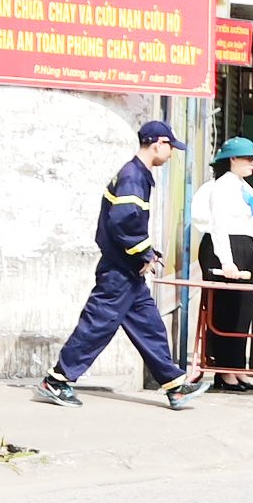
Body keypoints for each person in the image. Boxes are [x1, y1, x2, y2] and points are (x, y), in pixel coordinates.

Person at [40, 121, 206, 410]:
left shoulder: (135, 174)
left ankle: (174, 385)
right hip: (119, 272)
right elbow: (123, 221)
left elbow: (125, 223)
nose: (171, 154)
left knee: (150, 327)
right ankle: (57, 380)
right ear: (158, 143)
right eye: (170, 147)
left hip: (127, 271)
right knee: (97, 326)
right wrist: (144, 255)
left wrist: (146, 253)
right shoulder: (133, 176)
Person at [191, 137, 253, 392]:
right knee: (225, 310)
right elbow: (219, 226)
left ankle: (237, 366)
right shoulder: (221, 186)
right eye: (248, 158)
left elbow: (250, 228)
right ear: (232, 159)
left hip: (245, 247)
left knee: (243, 312)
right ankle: (223, 370)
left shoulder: (246, 188)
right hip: (224, 247)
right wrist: (227, 261)